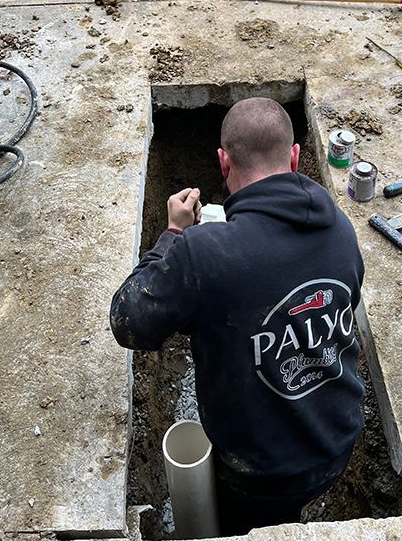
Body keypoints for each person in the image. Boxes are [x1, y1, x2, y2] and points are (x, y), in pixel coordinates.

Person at [110, 97, 365, 535]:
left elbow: (128, 320)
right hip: (338, 441)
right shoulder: (341, 229)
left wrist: (173, 234)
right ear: (295, 156)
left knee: (246, 527)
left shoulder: (204, 253)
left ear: (223, 162)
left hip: (259, 475)